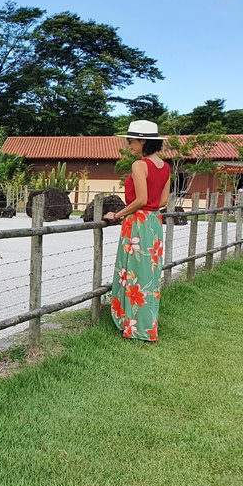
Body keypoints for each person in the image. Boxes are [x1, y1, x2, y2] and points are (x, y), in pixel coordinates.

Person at [104, 120, 171, 341]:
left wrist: (117, 214)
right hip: (154, 222)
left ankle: (132, 325)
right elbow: (162, 200)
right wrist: (148, 210)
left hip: (138, 222)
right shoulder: (165, 167)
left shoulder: (139, 165)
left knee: (133, 273)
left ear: (143, 140)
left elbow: (141, 199)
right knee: (149, 274)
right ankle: (147, 324)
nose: (129, 145)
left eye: (131, 140)